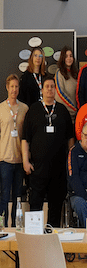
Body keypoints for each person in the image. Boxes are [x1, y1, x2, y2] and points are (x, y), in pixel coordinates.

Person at [22, 76, 75, 227]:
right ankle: (34, 243)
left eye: (52, 86)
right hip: (37, 169)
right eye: (47, 86)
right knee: (35, 209)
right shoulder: (33, 110)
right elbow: (25, 139)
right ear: (42, 89)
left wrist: (69, 163)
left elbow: (70, 139)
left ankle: (52, 243)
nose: (50, 89)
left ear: (55, 89)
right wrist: (25, 161)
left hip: (58, 171)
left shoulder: (63, 111)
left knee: (55, 210)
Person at [0, 74, 28, 226]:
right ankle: (2, 228)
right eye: (12, 86)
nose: (14, 89)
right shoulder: (1, 108)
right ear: (7, 87)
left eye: (16, 86)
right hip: (4, 159)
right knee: (4, 196)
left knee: (18, 196)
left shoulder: (24, 108)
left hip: (19, 159)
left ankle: (15, 227)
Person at [55, 46, 78, 122]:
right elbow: (60, 94)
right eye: (66, 56)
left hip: (76, 116)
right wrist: (74, 108)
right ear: (63, 58)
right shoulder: (59, 73)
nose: (69, 58)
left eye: (71, 56)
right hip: (64, 115)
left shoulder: (75, 73)